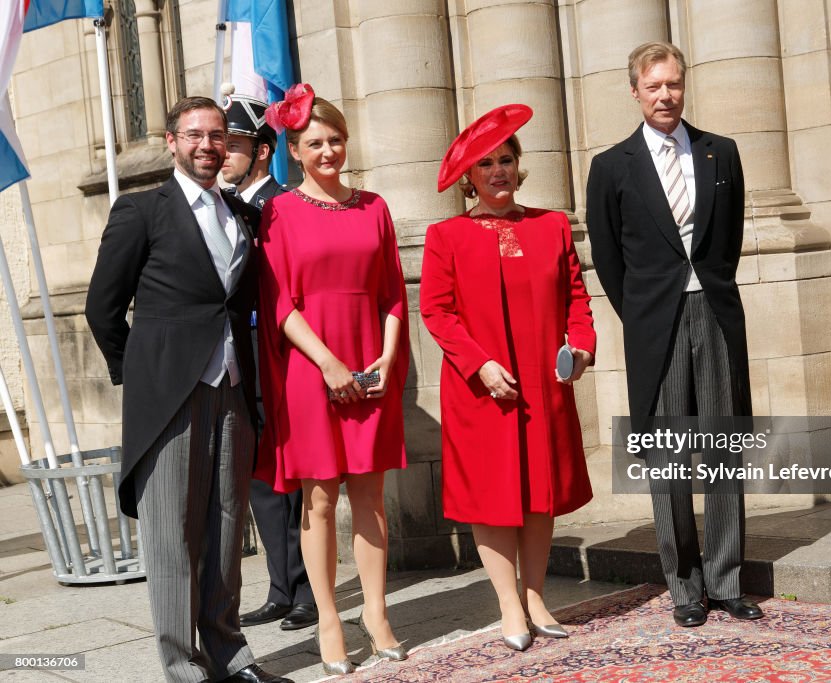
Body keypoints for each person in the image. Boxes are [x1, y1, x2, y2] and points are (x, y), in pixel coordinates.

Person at [85, 96, 291, 683]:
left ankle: (230, 656)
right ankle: (184, 667)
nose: (207, 145)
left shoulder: (239, 214)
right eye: (195, 135)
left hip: (229, 387)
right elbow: (103, 309)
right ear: (172, 142)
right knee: (173, 535)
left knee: (227, 528)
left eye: (217, 136)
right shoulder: (140, 210)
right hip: (169, 398)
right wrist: (144, 375)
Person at [586, 41, 764, 628]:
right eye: (655, 86)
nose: (666, 95)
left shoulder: (722, 154)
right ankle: (685, 586)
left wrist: (706, 289)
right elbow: (609, 259)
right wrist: (641, 312)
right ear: (634, 91)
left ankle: (726, 579)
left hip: (713, 311)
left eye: (674, 84)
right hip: (654, 324)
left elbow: (728, 241)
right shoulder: (612, 166)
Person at [420, 104, 596, 652]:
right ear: (468, 178)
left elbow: (576, 299)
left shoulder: (552, 224)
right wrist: (480, 364)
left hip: (545, 382)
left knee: (540, 492)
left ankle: (537, 593)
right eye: (485, 163)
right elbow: (437, 311)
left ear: (519, 166)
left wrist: (582, 349)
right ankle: (506, 602)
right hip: (482, 388)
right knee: (494, 495)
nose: (497, 170)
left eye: (506, 159)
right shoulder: (445, 235)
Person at [254, 84, 409, 675]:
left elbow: (394, 295)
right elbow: (280, 303)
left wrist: (388, 360)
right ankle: (326, 617)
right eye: (315, 143)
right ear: (294, 149)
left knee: (371, 499)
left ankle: (376, 614)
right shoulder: (281, 211)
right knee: (319, 500)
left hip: (371, 367)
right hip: (310, 368)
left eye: (336, 140)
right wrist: (328, 363)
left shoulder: (375, 207)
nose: (328, 151)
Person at [220, 90, 317, 633]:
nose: (222, 153)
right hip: (243, 356)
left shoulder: (283, 204)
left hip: (280, 352)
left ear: (262, 151)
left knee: (294, 472)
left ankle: (305, 590)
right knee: (261, 472)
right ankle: (281, 587)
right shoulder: (224, 205)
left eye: (234, 144)